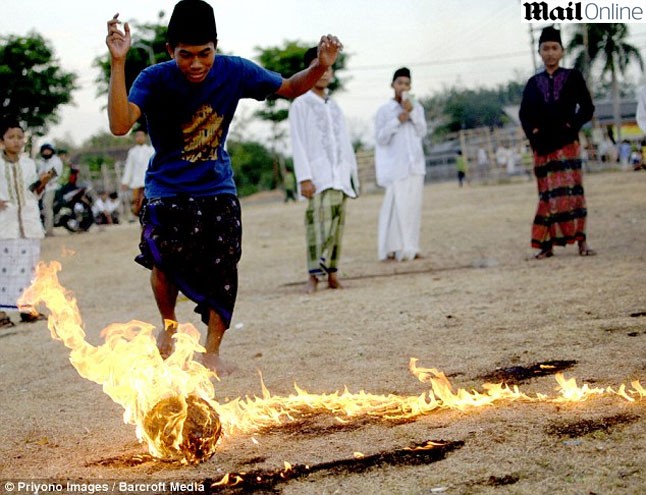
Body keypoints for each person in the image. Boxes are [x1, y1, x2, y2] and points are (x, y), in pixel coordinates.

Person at [105, 0, 342, 374]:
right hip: (167, 190)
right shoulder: (153, 78)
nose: (196, 64)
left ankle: (211, 350)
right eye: (186, 55)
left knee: (223, 269)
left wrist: (321, 65)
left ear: (216, 47)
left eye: (205, 54)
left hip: (217, 188)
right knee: (163, 261)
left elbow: (291, 87)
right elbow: (120, 125)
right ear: (171, 51)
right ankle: (169, 326)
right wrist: (118, 63)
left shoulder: (234, 71)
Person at [519, 26, 596, 260]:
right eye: (546, 49)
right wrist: (534, 134)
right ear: (540, 52)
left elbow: (587, 107)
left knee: (573, 193)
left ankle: (581, 242)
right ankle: (546, 246)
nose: (550, 53)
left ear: (562, 52)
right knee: (547, 196)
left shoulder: (573, 77)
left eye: (554, 48)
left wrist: (571, 126)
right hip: (543, 147)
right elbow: (525, 113)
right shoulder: (533, 83)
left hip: (567, 145)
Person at [289, 47, 359, 293]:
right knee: (317, 227)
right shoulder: (301, 104)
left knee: (336, 228)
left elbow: (345, 142)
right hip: (318, 178)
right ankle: (313, 276)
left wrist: (351, 175)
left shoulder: (335, 106)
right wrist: (305, 178)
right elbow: (297, 143)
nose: (324, 73)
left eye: (328, 68)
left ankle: (332, 273)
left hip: (339, 176)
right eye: (318, 67)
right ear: (309, 71)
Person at [0, 119, 51, 327]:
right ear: (2, 141)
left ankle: (27, 308)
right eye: (11, 137)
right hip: (5, 225)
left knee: (30, 268)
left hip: (28, 224)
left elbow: (34, 194)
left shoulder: (29, 163)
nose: (17, 141)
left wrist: (43, 183)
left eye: (20, 137)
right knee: (4, 268)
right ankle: (2, 313)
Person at [374, 67, 428, 262]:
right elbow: (381, 138)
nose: (403, 87)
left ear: (410, 86)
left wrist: (411, 113)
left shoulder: (417, 107)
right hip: (396, 167)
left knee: (413, 208)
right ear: (392, 85)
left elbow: (422, 131)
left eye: (406, 84)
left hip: (415, 165)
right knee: (396, 209)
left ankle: (411, 247)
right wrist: (398, 120)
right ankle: (394, 248)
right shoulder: (385, 111)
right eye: (400, 83)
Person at [121, 127, 154, 220]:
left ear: (145, 137)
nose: (139, 138)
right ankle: (140, 219)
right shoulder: (132, 152)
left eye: (141, 136)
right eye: (137, 136)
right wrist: (125, 181)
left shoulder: (150, 150)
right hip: (136, 181)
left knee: (149, 202)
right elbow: (129, 167)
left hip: (148, 181)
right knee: (137, 203)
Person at [36, 143, 64, 236]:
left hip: (52, 187)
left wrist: (44, 176)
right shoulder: (43, 162)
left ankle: (49, 231)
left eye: (48, 150)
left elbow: (50, 175)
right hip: (43, 188)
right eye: (44, 150)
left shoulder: (56, 161)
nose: (46, 152)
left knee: (46, 206)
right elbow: (40, 175)